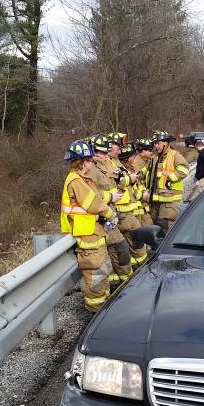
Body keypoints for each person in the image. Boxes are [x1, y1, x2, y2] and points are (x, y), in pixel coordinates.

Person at [60, 140, 115, 312]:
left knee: (102, 272)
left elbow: (98, 197)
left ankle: (102, 309)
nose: (92, 162)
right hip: (88, 238)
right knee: (95, 278)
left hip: (95, 234)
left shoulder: (84, 179)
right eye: (90, 159)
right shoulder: (75, 181)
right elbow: (93, 203)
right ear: (82, 161)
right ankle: (95, 314)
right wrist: (110, 214)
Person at [89, 133, 133, 288]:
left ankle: (126, 285)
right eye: (101, 152)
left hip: (108, 218)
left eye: (106, 152)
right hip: (95, 223)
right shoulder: (88, 170)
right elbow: (90, 196)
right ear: (92, 152)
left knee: (121, 249)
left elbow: (116, 181)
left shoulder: (107, 164)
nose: (105, 155)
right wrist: (110, 197)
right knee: (102, 262)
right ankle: (103, 298)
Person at [108, 133, 148, 268]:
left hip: (127, 211)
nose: (119, 150)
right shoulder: (108, 164)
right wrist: (129, 179)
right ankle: (141, 271)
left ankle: (138, 269)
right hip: (122, 213)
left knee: (133, 246)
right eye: (117, 147)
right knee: (136, 245)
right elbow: (116, 182)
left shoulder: (114, 162)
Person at [149, 130, 189, 232]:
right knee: (155, 229)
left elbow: (184, 169)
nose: (156, 146)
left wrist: (170, 178)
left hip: (169, 202)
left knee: (166, 229)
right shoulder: (155, 157)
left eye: (158, 143)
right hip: (156, 202)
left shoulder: (174, 155)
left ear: (166, 143)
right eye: (155, 144)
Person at [133, 137, 155, 226]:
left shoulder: (146, 160)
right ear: (142, 150)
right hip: (140, 199)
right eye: (149, 150)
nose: (151, 152)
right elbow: (138, 178)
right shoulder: (137, 162)